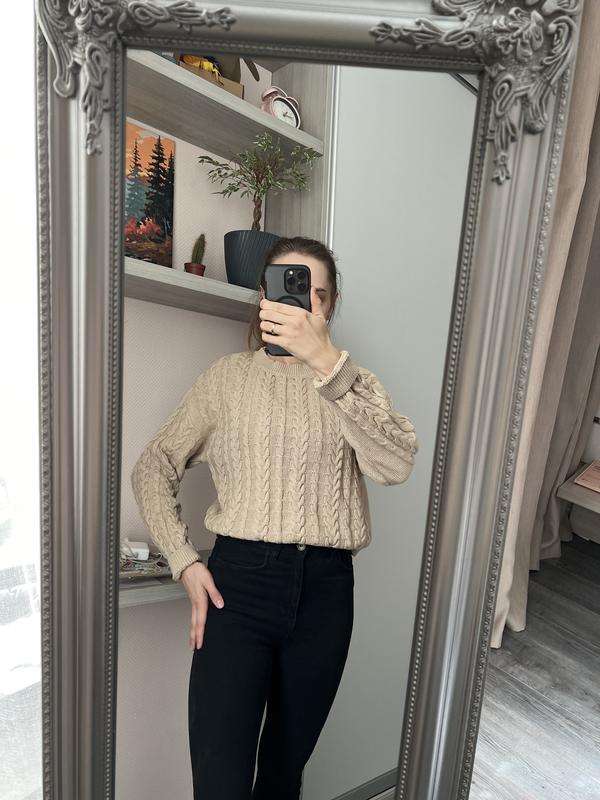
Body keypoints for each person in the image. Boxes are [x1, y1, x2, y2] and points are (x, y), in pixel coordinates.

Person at [130, 235, 419, 800]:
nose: (299, 304)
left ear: (329, 306)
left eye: (314, 294)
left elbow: (395, 465)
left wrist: (327, 365)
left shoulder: (354, 385)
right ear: (262, 297)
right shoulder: (227, 379)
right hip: (237, 590)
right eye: (285, 288)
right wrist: (185, 562)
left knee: (285, 773)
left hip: (326, 594)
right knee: (220, 775)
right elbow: (153, 466)